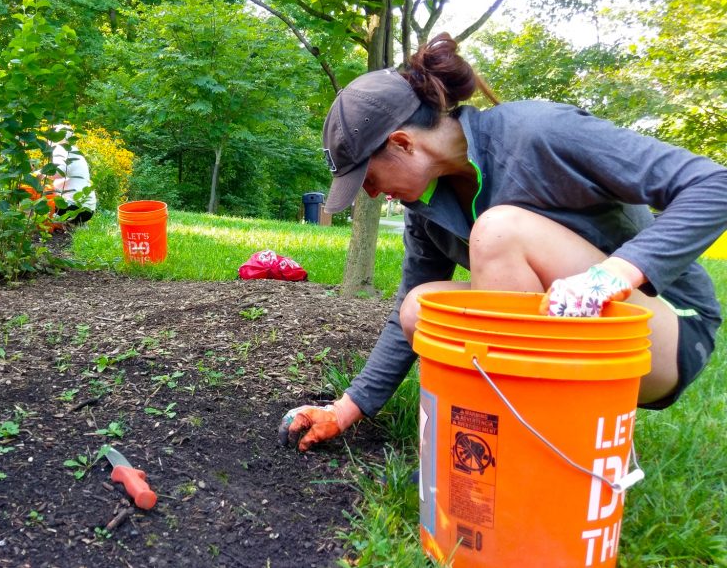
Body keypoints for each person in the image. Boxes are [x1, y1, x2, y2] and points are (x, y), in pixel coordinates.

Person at [280, 33, 727, 451]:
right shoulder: (428, 207)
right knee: (421, 307)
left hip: (662, 328)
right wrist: (344, 409)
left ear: (401, 142)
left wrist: (612, 276)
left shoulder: (539, 133)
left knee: (498, 232)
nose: (373, 194)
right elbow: (403, 321)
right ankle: (506, 439)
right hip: (573, 340)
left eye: (370, 178)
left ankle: (526, 449)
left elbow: (713, 185)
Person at [22, 126, 96, 228]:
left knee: (35, 198)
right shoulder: (74, 151)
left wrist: (38, 174)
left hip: (72, 206)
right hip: (88, 209)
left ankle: (31, 225)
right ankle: (75, 224)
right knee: (49, 192)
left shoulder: (60, 148)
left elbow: (59, 170)